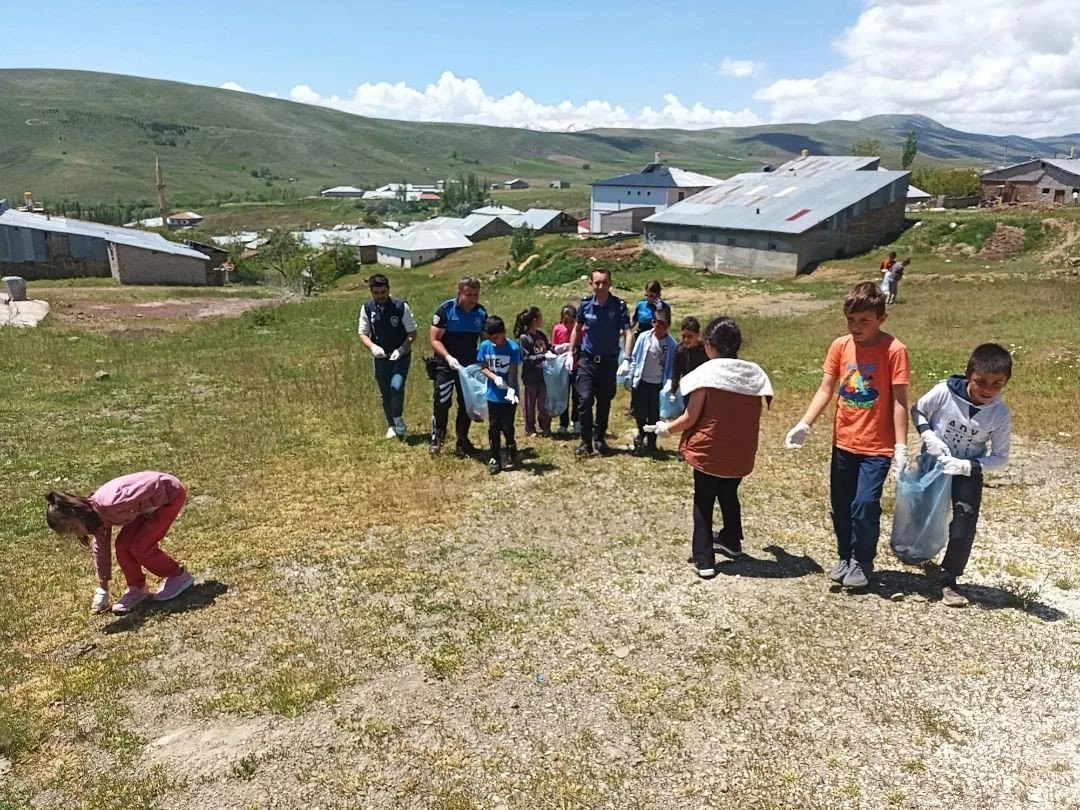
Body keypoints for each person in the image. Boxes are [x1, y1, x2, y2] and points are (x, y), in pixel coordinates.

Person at [784, 282, 910, 590]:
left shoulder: (894, 350)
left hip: (876, 447)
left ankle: (863, 559)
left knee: (864, 504)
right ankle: (845, 555)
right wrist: (805, 424)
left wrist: (901, 446)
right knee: (841, 504)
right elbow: (827, 388)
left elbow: (899, 400)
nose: (856, 327)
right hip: (844, 442)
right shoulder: (840, 346)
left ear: (882, 318)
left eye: (864, 320)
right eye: (851, 320)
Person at [644, 317, 773, 578]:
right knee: (729, 494)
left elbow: (691, 417)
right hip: (740, 452)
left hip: (709, 451)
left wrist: (666, 428)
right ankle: (732, 540)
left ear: (710, 345)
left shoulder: (708, 375)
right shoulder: (752, 374)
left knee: (703, 502)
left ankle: (704, 559)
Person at [911, 343, 1012, 607]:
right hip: (934, 462)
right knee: (923, 511)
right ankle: (918, 552)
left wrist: (968, 466)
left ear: (1005, 383)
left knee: (964, 524)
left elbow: (1000, 457)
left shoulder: (999, 414)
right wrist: (928, 435)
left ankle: (949, 578)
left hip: (967, 470)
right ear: (969, 375)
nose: (987, 390)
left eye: (996, 384)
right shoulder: (944, 392)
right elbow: (918, 409)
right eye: (981, 382)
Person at [45, 472, 194, 615]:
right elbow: (101, 551)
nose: (77, 534)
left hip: (168, 496)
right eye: (71, 533)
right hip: (146, 507)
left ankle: (178, 575)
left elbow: (153, 484)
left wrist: (153, 505)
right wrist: (103, 588)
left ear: (78, 513)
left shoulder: (111, 504)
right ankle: (137, 587)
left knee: (141, 547)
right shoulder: (96, 519)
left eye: (74, 528)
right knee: (122, 546)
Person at [568, 268, 632, 456]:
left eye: (604, 282)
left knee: (604, 401)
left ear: (610, 283)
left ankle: (599, 438)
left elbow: (628, 332)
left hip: (608, 361)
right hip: (587, 360)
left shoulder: (618, 306)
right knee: (585, 399)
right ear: (591, 284)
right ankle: (585, 441)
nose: (601, 286)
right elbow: (576, 329)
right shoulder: (586, 305)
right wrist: (571, 352)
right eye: (597, 283)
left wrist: (627, 359)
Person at [429, 277, 488, 457]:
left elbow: (485, 339)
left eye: (475, 295)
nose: (472, 299)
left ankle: (462, 440)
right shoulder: (446, 311)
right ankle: (437, 437)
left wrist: (484, 361)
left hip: (469, 367)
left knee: (466, 404)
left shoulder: (481, 313)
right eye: (468, 294)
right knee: (442, 401)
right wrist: (448, 357)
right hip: (446, 364)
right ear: (459, 293)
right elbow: (434, 340)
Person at [358, 274, 417, 439]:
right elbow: (363, 333)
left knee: (396, 387)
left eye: (383, 292)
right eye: (376, 293)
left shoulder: (400, 307)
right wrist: (372, 347)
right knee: (385, 392)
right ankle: (391, 425)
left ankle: (398, 419)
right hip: (380, 357)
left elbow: (412, 333)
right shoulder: (367, 308)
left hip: (400, 355)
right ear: (371, 291)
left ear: (388, 290)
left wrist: (402, 348)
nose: (380, 296)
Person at [628, 307, 676, 454]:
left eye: (663, 324)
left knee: (654, 413)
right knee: (640, 411)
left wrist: (670, 383)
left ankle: (652, 441)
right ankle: (641, 435)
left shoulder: (671, 344)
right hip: (642, 381)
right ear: (652, 322)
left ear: (668, 325)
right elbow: (635, 358)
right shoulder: (643, 337)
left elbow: (672, 365)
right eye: (657, 323)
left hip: (658, 384)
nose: (659, 328)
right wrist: (630, 375)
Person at [477, 316, 521, 474]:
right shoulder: (485, 347)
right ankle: (494, 456)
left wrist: (510, 389)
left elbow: (512, 372)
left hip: (509, 395)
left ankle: (511, 446)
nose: (494, 341)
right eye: (491, 338)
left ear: (503, 333)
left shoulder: (513, 349)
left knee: (507, 425)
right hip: (492, 395)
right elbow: (483, 367)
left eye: (496, 337)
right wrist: (495, 378)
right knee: (494, 426)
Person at [514, 307, 552, 437]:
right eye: (540, 317)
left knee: (544, 404)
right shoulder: (525, 338)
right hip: (530, 377)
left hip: (543, 377)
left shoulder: (541, 335)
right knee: (529, 405)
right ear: (535, 320)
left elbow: (548, 347)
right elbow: (526, 358)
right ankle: (530, 428)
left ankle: (546, 426)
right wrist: (543, 357)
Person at [551, 304, 580, 435]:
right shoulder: (557, 329)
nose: (568, 324)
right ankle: (563, 423)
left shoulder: (580, 329)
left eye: (571, 322)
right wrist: (560, 348)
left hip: (577, 367)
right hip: (562, 368)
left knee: (577, 395)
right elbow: (553, 346)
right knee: (563, 395)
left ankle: (577, 421)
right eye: (565, 321)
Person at [670, 316, 708, 392]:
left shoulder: (705, 350)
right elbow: (676, 374)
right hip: (687, 388)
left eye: (690, 336)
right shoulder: (680, 350)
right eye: (683, 336)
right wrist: (673, 390)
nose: (686, 339)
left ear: (697, 334)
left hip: (702, 388)